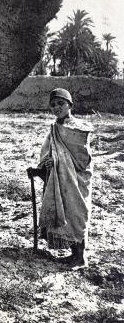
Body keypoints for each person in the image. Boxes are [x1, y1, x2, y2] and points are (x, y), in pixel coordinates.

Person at [38, 88, 93, 270]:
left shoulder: (78, 130)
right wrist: (47, 163)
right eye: (53, 105)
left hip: (76, 179)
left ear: (70, 104)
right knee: (65, 213)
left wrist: (60, 161)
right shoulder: (54, 129)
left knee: (77, 213)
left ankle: (80, 258)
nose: (57, 108)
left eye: (61, 103)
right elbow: (47, 153)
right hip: (59, 178)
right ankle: (73, 255)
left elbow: (83, 158)